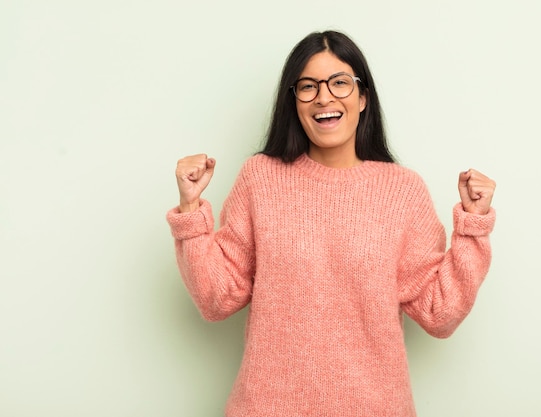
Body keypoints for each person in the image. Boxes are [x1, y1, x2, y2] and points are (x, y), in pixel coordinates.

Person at [166, 30, 496, 417]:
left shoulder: (402, 191)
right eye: (308, 86)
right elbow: (216, 299)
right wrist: (191, 212)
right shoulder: (261, 178)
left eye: (339, 82)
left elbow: (440, 313)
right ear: (294, 102)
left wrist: (474, 224)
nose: (324, 97)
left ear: (362, 98)